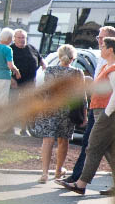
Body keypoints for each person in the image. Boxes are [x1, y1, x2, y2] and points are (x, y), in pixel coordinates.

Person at [61, 26, 115, 192]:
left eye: (103, 45)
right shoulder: (108, 66)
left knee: (93, 147)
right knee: (110, 151)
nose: (100, 46)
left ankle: (81, 184)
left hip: (108, 114)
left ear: (110, 49)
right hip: (101, 111)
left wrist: (106, 114)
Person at [32, 44, 85, 183]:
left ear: (59, 56)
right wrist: (84, 115)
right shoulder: (78, 73)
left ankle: (44, 173)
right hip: (68, 110)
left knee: (47, 140)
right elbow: (81, 96)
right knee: (63, 140)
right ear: (73, 58)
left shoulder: (49, 71)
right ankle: (58, 170)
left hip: (49, 108)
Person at [11, 29, 44, 135]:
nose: (21, 40)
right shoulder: (10, 49)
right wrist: (11, 79)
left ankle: (24, 129)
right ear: (14, 38)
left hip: (30, 83)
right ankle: (10, 127)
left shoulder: (31, 48)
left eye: (23, 38)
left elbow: (40, 59)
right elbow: (5, 65)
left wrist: (44, 66)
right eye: (19, 38)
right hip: (15, 83)